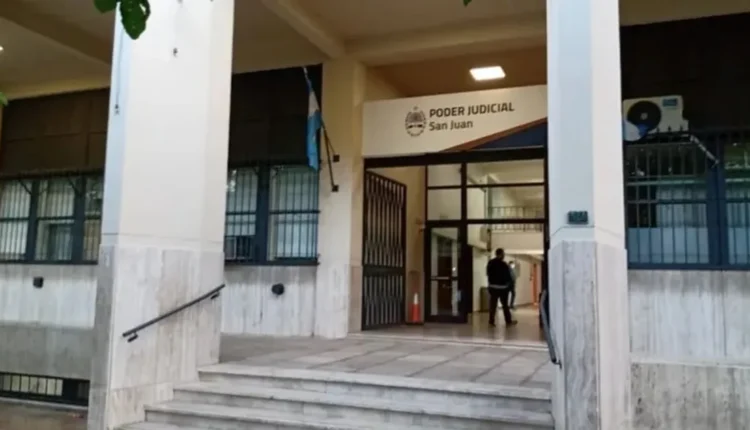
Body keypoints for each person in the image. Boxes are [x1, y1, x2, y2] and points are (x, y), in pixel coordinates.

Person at [486, 248, 517, 327]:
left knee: (493, 305)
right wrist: (509, 285)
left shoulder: (490, 263)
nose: (504, 255)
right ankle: (508, 321)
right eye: (503, 254)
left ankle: (491, 322)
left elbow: (488, 273)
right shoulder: (504, 264)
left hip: (493, 287)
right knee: (505, 305)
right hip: (502, 288)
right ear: (500, 254)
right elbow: (507, 277)